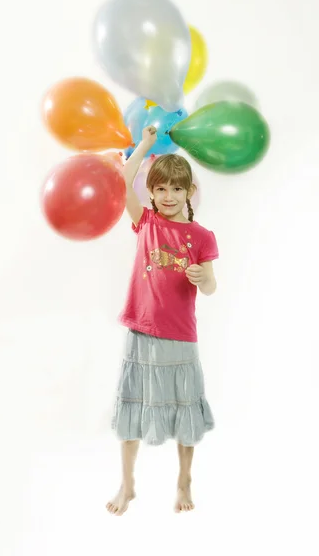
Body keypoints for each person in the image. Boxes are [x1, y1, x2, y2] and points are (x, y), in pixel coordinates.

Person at [106, 126, 219, 516]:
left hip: (180, 336)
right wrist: (146, 146)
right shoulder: (146, 224)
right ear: (151, 193)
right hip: (141, 329)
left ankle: (184, 478)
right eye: (161, 189)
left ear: (189, 192)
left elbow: (210, 287)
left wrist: (204, 278)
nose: (168, 196)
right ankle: (127, 483)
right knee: (133, 406)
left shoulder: (202, 236)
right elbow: (122, 182)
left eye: (176, 189)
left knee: (184, 406)